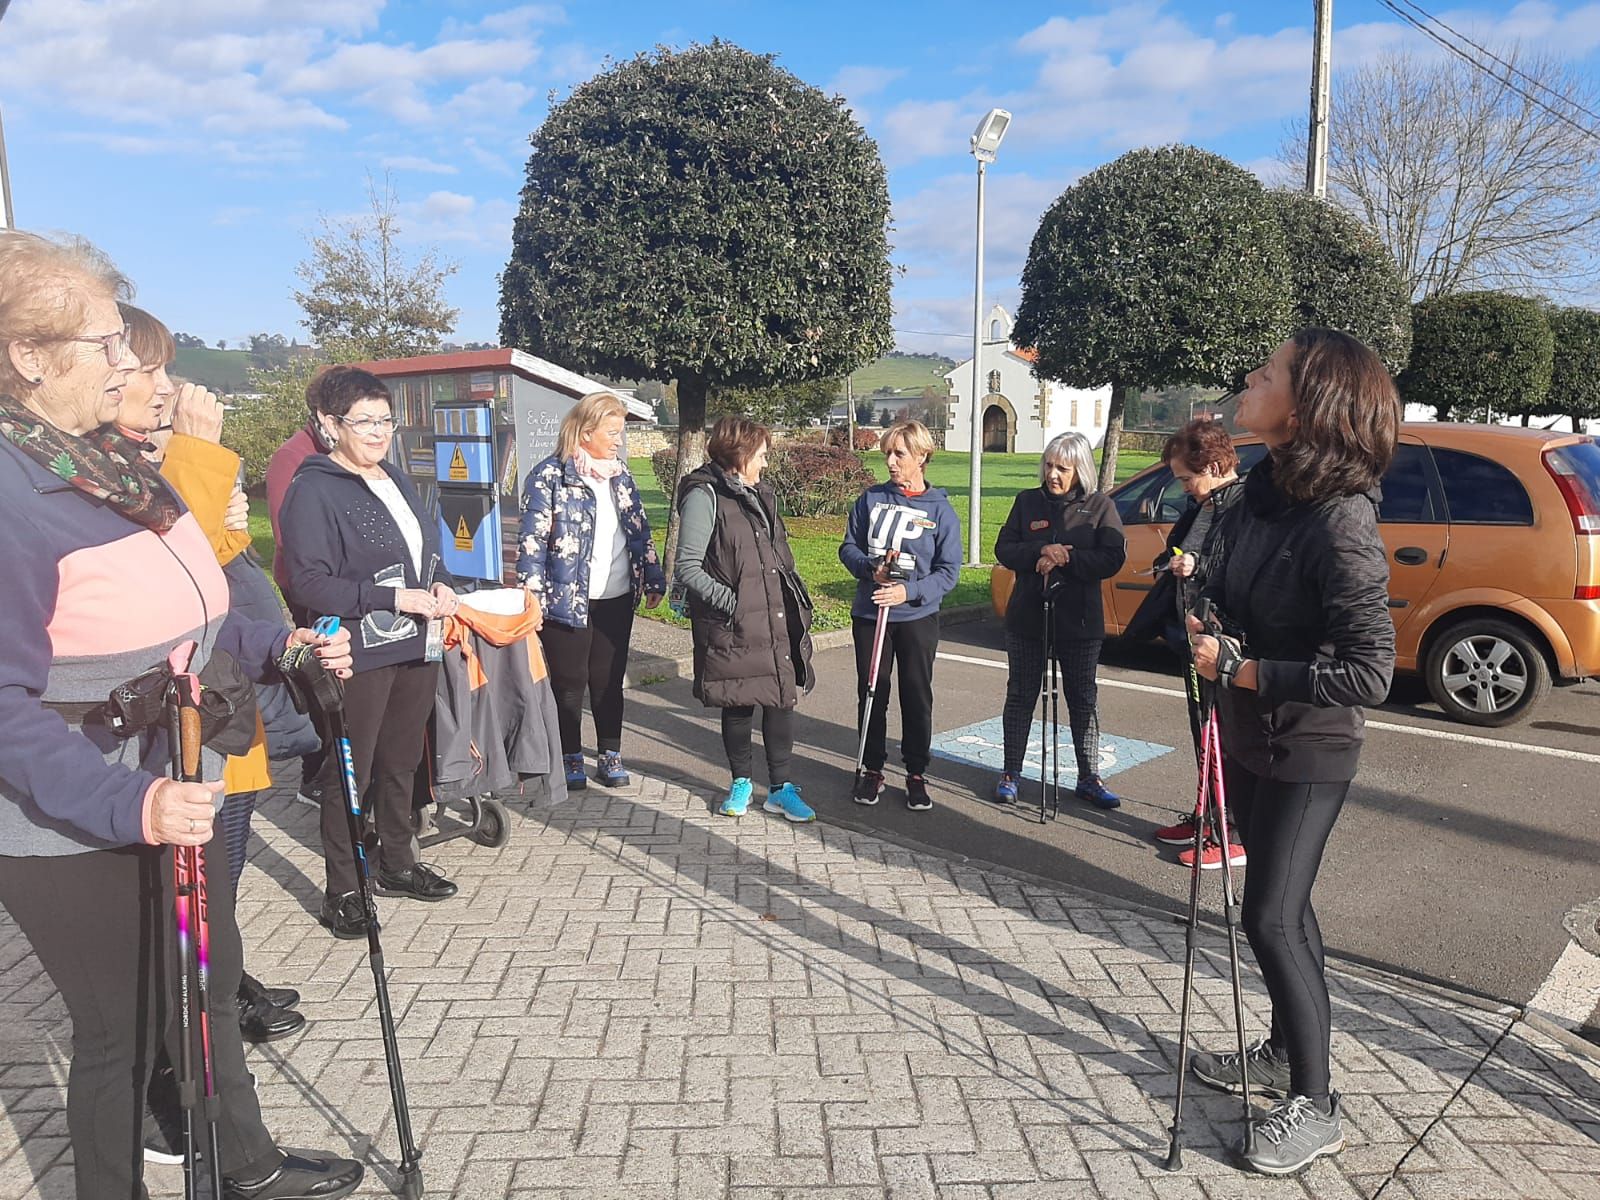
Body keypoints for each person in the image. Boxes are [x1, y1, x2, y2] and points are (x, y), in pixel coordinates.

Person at [0, 229, 362, 1200]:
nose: (129, 367)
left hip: (175, 781)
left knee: (200, 988)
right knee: (118, 1033)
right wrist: (135, 808)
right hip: (70, 821)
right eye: (109, 345)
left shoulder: (115, 470)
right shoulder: (10, 493)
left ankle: (238, 1163)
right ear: (30, 358)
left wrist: (280, 649)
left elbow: (190, 626)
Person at [1186, 328, 1398, 1176]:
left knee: (1269, 916)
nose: (1248, 376)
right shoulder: (1258, 487)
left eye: (1266, 372)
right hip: (1249, 737)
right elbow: (1221, 583)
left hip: (1309, 749)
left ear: (1308, 405)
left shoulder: (1341, 518)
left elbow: (1369, 671)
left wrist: (1243, 668)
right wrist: (1202, 612)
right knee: (1289, 912)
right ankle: (1280, 1054)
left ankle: (1318, 1102)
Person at [115, 303, 306, 1048]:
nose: (170, 388)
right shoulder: (106, 474)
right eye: (149, 367)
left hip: (224, 704)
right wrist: (195, 457)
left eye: (170, 368)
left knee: (219, 882)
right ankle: (196, 1025)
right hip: (177, 729)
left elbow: (219, 571)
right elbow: (178, 588)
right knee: (194, 896)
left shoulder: (154, 463)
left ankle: (225, 988)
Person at [278, 365, 462, 938]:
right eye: (365, 421)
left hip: (415, 642)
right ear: (329, 425)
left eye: (386, 420)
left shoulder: (396, 478)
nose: (380, 432)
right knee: (348, 771)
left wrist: (442, 581)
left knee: (403, 760)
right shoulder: (313, 489)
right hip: (355, 651)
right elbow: (307, 582)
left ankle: (398, 863)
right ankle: (345, 888)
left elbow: (422, 551)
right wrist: (390, 596)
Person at [517, 391, 666, 791]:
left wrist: (652, 575)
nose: (619, 440)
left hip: (616, 596)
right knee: (569, 681)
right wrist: (530, 594)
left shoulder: (621, 476)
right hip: (565, 599)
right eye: (612, 432)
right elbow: (532, 541)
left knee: (608, 678)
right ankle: (569, 755)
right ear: (585, 432)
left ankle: (609, 753)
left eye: (621, 432)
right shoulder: (549, 476)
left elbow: (639, 529)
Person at [673, 416, 816, 823]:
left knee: (780, 698)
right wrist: (732, 602)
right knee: (738, 701)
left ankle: (781, 788)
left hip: (773, 612)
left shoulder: (762, 494)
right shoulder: (705, 495)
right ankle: (741, 783)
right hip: (735, 620)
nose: (766, 464)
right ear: (740, 455)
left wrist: (794, 600)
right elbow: (687, 566)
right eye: (761, 455)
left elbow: (778, 556)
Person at [1123, 418, 1246, 863]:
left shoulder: (1244, 505)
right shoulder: (1205, 503)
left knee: (1225, 735)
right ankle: (1208, 813)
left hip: (1225, 637)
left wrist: (1198, 566)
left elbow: (1241, 570)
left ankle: (1231, 832)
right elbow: (1180, 549)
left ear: (1213, 466)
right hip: (1189, 629)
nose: (1183, 489)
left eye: (1186, 479)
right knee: (1203, 730)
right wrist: (1172, 561)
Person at [992, 432, 1127, 809]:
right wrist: (1040, 550)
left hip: (1079, 621)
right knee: (1020, 695)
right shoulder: (1026, 502)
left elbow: (1113, 558)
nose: (1052, 474)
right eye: (1049, 465)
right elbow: (1004, 548)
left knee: (1083, 698)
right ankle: (1010, 773)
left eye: (1062, 468)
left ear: (1079, 469)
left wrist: (1068, 559)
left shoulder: (1101, 507)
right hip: (1027, 618)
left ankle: (1089, 777)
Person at [838, 420, 962, 811]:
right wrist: (870, 569)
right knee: (873, 690)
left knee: (916, 693)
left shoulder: (940, 510)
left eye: (899, 454)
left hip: (916, 617)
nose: (891, 462)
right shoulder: (870, 500)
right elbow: (848, 548)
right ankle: (872, 768)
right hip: (872, 614)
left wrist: (909, 590)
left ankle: (916, 772)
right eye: (887, 454)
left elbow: (948, 571)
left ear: (922, 457)